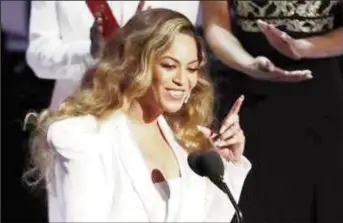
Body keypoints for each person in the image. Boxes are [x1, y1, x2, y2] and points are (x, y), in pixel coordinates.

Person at [24, 9, 251, 222]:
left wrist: (227, 163)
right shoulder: (84, 137)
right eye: (169, 65)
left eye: (191, 69)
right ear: (135, 65)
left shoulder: (185, 138)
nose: (183, 80)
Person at [202, 1, 343, 223]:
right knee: (255, 196)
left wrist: (304, 48)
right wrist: (248, 65)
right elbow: (216, 25)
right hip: (249, 84)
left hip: (320, 90)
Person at [26, 1, 200, 110]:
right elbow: (38, 57)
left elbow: (183, 58)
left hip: (147, 123)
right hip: (77, 117)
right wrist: (90, 54)